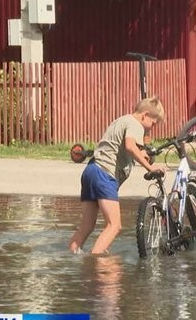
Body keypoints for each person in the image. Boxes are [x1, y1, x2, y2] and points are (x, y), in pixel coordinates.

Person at [69, 97, 166, 254]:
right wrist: (150, 167)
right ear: (145, 115)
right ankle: (95, 264)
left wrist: (143, 153)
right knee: (114, 226)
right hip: (104, 175)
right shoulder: (136, 124)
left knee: (87, 226)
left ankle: (72, 257)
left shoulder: (122, 120)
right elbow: (129, 146)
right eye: (153, 123)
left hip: (91, 171)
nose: (152, 128)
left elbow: (125, 146)